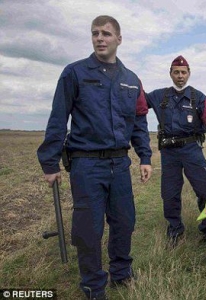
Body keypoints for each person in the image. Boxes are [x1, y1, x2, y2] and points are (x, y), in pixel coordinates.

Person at [37, 15, 152, 300]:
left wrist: (145, 156)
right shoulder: (74, 73)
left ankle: (122, 274)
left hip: (119, 164)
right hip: (86, 164)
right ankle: (93, 285)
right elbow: (58, 117)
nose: (100, 38)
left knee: (125, 222)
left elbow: (138, 121)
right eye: (95, 33)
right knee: (89, 229)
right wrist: (50, 162)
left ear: (119, 39)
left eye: (106, 34)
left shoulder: (131, 80)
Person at [145, 55, 206, 247]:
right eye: (176, 72)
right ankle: (175, 231)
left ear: (189, 74)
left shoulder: (198, 97)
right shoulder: (159, 96)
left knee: (205, 190)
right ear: (170, 74)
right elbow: (137, 102)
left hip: (191, 150)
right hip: (168, 153)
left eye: (183, 72)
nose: (180, 76)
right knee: (169, 194)